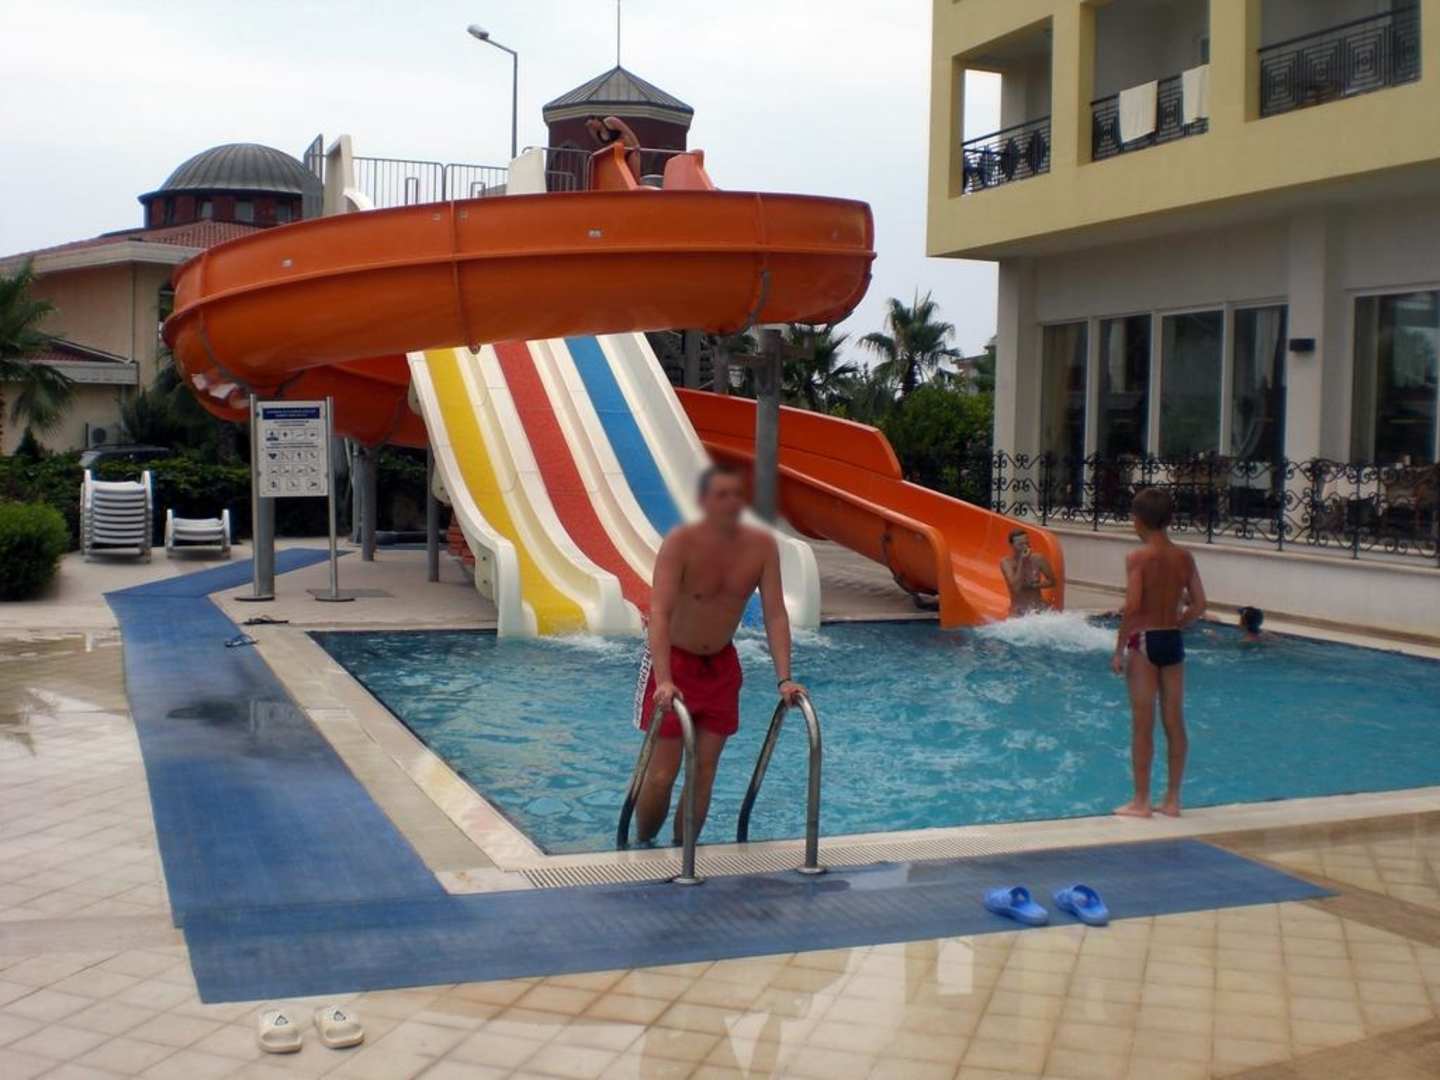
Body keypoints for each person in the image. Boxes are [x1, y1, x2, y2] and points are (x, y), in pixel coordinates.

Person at [633, 463, 805, 845]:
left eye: (736, 495)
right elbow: (658, 613)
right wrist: (664, 679)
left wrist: (784, 678)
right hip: (674, 663)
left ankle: (683, 852)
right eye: (721, 495)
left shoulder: (761, 548)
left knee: (704, 772)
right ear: (703, 501)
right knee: (661, 775)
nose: (730, 503)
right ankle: (642, 847)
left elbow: (775, 614)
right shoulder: (680, 544)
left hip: (721, 668)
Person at [1111, 488, 1207, 819]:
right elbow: (1200, 604)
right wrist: (1178, 622)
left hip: (1145, 641)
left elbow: (1133, 606)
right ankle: (1173, 800)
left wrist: (1119, 648)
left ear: (1138, 520)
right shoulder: (1184, 557)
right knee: (1174, 721)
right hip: (1172, 640)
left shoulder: (1138, 558)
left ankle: (1141, 801)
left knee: (1143, 724)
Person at [1000, 529, 1057, 616]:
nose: (1025, 547)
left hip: (1039, 610)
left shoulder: (1038, 559)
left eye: (1026, 543)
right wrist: (1022, 561)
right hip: (1020, 613)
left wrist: (1034, 585)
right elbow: (1015, 588)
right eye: (1020, 544)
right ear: (1012, 545)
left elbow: (1052, 581)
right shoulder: (1006, 563)